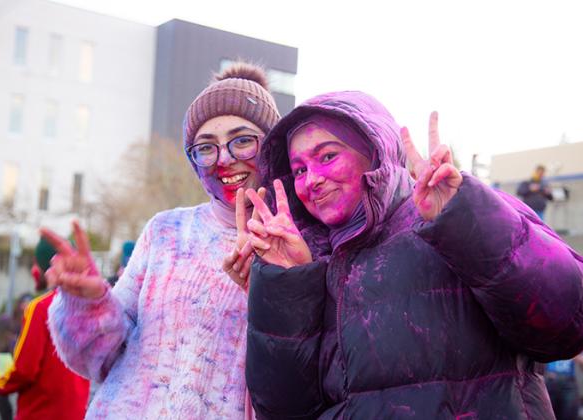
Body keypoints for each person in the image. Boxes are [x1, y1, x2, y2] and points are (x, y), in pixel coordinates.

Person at [233, 91, 583, 419]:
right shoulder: (305, 259)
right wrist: (286, 284)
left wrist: (465, 220)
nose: (312, 180)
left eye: (328, 156)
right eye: (299, 170)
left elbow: (568, 323)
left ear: (376, 150)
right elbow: (283, 410)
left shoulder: (454, 211)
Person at [41, 62, 280, 418]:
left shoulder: (300, 243)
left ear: (272, 146)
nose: (225, 159)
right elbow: (98, 358)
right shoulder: (166, 232)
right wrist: (88, 302)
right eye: (206, 147)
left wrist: (271, 289)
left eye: (242, 140)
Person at [0, 238, 90, 420]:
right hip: (76, 412)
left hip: (40, 412)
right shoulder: (90, 306)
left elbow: (25, 368)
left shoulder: (41, 307)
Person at [544, 355, 583, 420]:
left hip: (568, 381)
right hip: (550, 380)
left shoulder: (574, 346)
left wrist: (577, 357)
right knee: (547, 412)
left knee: (569, 412)